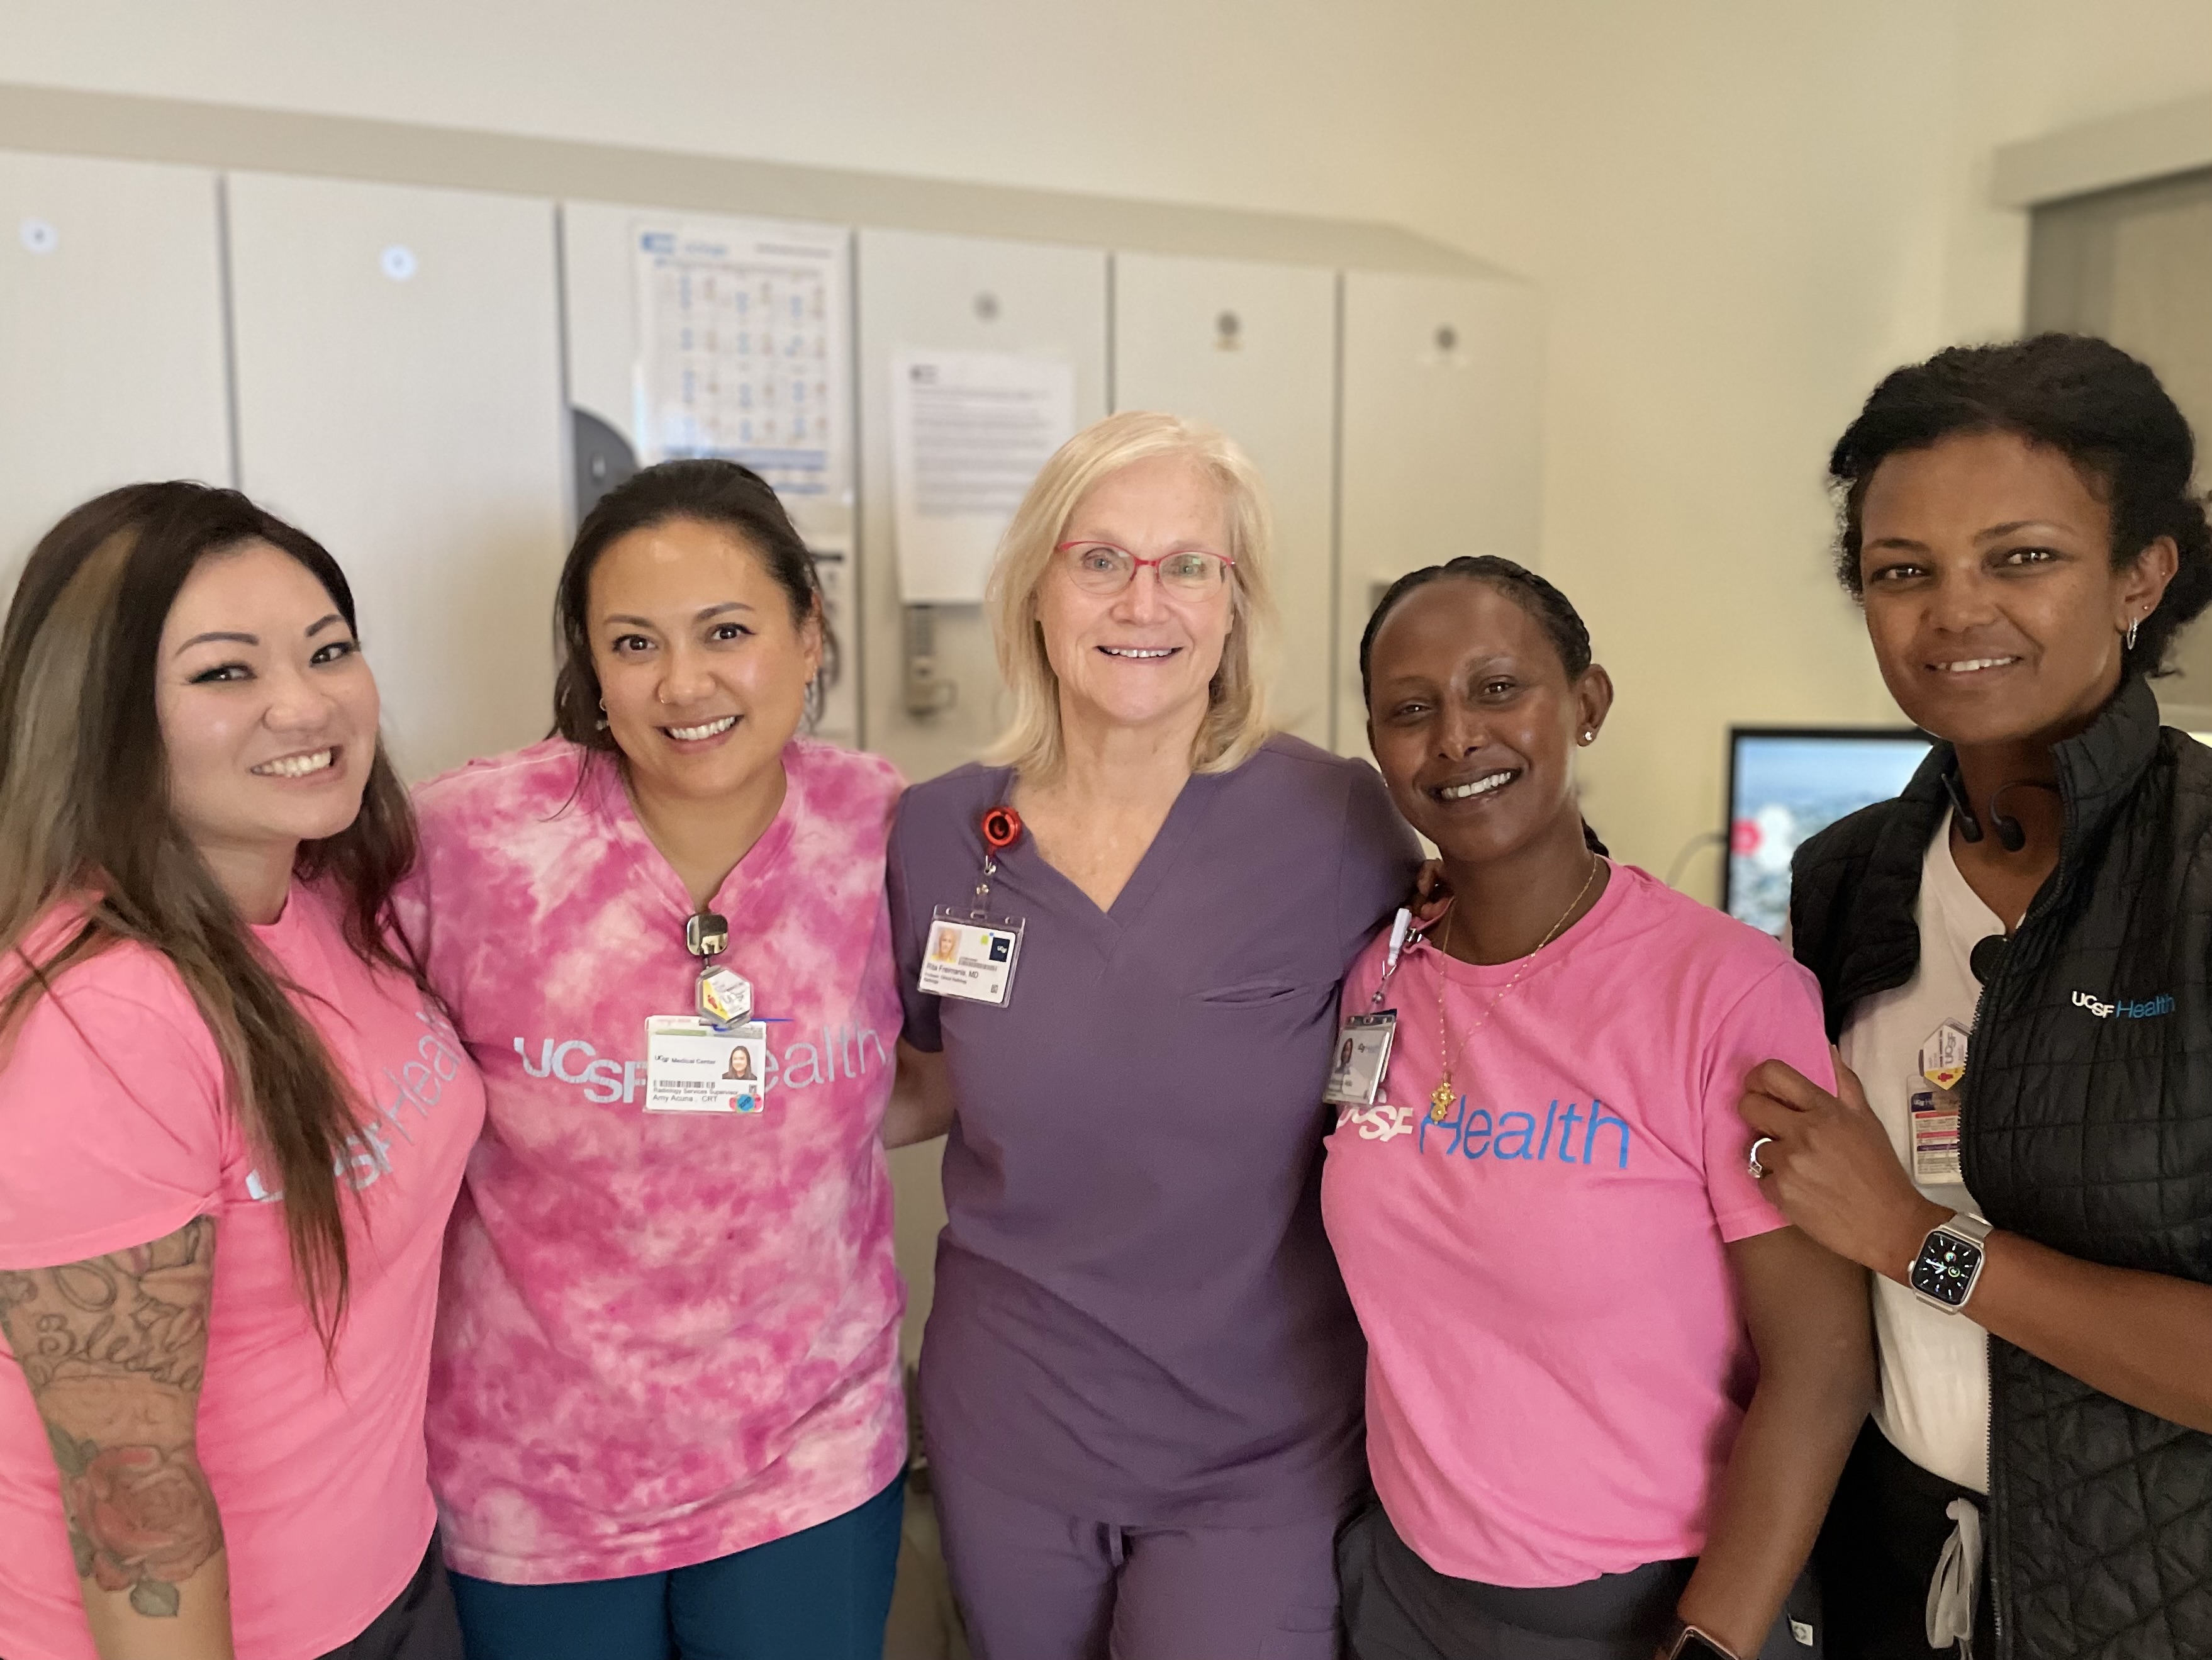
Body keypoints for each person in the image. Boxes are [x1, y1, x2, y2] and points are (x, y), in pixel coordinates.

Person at [881, 411, 1422, 1659]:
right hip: (1011, 1429)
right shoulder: (937, 835)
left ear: (1234, 605)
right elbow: (928, 1077)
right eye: (1100, 559)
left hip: (1257, 1445)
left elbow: (1464, 1018)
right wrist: (697, 1117)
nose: (1144, 600)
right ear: (1035, 588)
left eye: (1188, 564)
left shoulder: (1337, 823)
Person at [1740, 334, 2212, 1659]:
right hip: (1897, 1574)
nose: (1955, 611)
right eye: (1905, 570)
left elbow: (1886, 1232)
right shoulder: (1849, 878)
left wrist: (1915, 1237)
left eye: (2023, 556)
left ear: (2141, 574)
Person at [1323, 556, 1873, 1660]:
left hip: (1653, 1607)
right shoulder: (1376, 976)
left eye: (1497, 688)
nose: (1456, 736)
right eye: (1410, 710)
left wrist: (1711, 1639)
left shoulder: (1726, 992)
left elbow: (1824, 1370)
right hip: (1407, 1590)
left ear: (1587, 702)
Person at [400, 460, 906, 1660]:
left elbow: (958, 1062)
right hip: (536, 1477)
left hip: (809, 1455)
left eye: (726, 631)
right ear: (590, 663)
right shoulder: (474, 845)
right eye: (634, 643)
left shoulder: (885, 831)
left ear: (808, 631)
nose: (684, 684)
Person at [0, 483, 484, 1660]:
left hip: (391, 1574)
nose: (305, 703)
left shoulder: (322, 892)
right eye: (225, 672)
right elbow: (133, 1498)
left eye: (329, 650)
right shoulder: (105, 1019)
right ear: (103, 715)